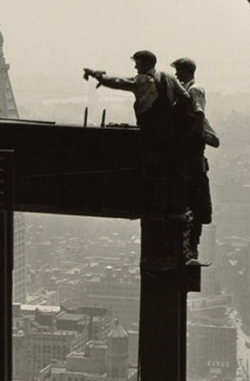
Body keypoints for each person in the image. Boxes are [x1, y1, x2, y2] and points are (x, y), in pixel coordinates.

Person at [83, 50, 190, 215]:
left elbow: (120, 81)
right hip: (168, 131)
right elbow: (184, 97)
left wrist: (99, 77)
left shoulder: (143, 81)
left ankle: (156, 206)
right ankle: (168, 205)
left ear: (147, 64)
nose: (135, 66)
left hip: (151, 131)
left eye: (138, 63)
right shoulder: (168, 77)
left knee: (152, 167)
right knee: (166, 167)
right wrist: (171, 115)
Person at [171, 57, 219, 260]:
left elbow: (198, 113)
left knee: (195, 205)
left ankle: (192, 247)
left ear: (186, 71)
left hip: (192, 162)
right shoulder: (185, 91)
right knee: (191, 204)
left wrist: (190, 135)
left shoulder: (194, 90)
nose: (175, 75)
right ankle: (188, 246)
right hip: (189, 160)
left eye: (178, 71)